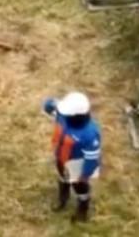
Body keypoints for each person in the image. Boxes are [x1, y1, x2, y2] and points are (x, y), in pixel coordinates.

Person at [42, 92, 102, 222]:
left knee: (79, 186)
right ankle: (63, 198)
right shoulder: (64, 116)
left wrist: (85, 175)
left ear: (77, 116)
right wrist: (53, 104)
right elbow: (48, 106)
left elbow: (92, 159)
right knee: (62, 177)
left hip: (77, 164)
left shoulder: (90, 134)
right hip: (61, 157)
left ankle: (83, 206)